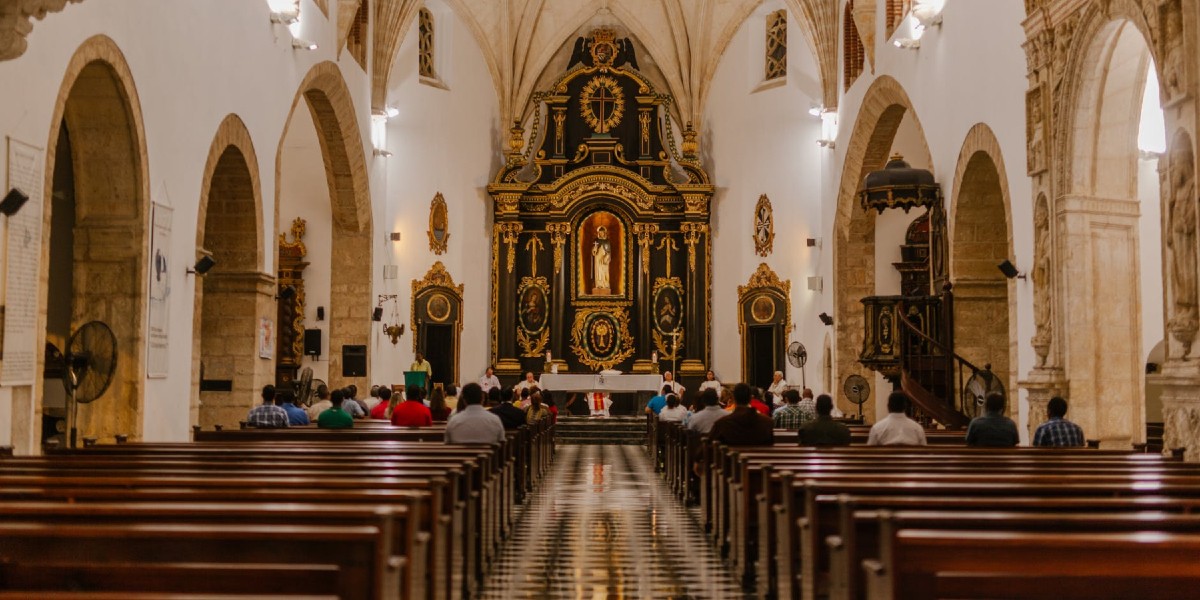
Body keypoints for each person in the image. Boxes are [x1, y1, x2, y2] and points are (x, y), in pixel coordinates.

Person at [708, 383, 775, 445]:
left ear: (734, 398)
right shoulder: (767, 422)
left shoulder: (722, 423)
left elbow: (709, 445)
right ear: (750, 398)